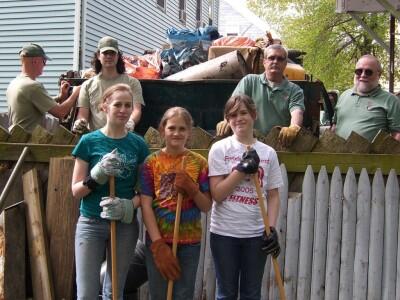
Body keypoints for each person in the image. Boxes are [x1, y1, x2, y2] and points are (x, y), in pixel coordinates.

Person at [71, 83, 149, 299]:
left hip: (124, 225)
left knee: (114, 292)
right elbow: (76, 191)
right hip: (91, 222)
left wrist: (127, 206)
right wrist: (97, 175)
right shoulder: (88, 142)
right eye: (118, 104)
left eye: (128, 105)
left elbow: (145, 191)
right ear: (104, 106)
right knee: (86, 293)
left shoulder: (138, 145)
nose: (123, 110)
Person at [208, 94, 283, 299]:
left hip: (256, 234)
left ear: (254, 115)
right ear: (227, 119)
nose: (238, 118)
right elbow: (218, 194)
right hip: (224, 233)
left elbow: (274, 195)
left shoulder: (268, 153)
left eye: (243, 113)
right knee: (226, 294)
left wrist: (272, 228)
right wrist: (241, 169)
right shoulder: (219, 149)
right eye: (232, 115)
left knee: (251, 294)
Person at [139, 107, 212, 300]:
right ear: (162, 130)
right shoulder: (151, 163)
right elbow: (146, 205)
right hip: (159, 240)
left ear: (189, 132)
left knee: (183, 295)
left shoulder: (199, 162)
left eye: (182, 128)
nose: (177, 133)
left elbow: (206, 206)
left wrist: (192, 188)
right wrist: (157, 244)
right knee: (159, 294)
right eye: (172, 128)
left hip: (189, 243)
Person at [216, 44, 305, 147]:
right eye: (271, 58)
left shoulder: (295, 90)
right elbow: (234, 105)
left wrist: (294, 126)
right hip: (249, 143)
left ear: (285, 63)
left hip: (279, 146)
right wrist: (226, 121)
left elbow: (297, 112)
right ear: (264, 62)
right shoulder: (249, 81)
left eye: (280, 59)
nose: (275, 61)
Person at [73, 36, 145, 134]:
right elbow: (83, 114)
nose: (108, 56)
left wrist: (131, 121)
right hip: (97, 139)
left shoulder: (132, 83)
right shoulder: (87, 85)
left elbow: (136, 110)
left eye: (112, 53)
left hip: (124, 136)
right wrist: (80, 122)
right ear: (98, 55)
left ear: (118, 56)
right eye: (105, 53)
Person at [7, 43, 80, 133]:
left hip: (16, 138)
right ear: (35, 61)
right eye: (44, 61)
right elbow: (60, 113)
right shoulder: (32, 86)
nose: (45, 65)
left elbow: (33, 104)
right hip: (29, 141)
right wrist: (76, 92)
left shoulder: (14, 83)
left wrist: (60, 97)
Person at [332, 54, 400, 142]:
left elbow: (397, 135)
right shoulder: (344, 95)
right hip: (338, 153)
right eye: (359, 71)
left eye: (368, 72)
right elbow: (334, 126)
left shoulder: (391, 100)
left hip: (372, 155)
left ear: (378, 75)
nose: (363, 75)